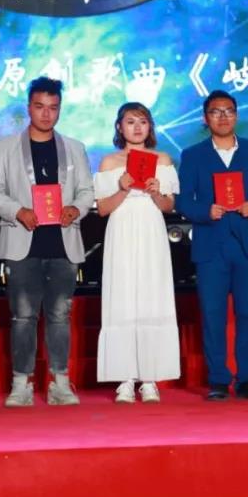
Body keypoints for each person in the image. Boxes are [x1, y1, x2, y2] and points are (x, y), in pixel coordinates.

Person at [0, 77, 95, 407]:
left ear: (60, 109)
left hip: (63, 243)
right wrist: (17, 211)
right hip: (22, 243)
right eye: (39, 107)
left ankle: (60, 382)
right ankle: (22, 383)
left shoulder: (74, 147)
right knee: (22, 316)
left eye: (53, 108)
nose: (46, 114)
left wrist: (76, 208)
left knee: (60, 316)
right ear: (28, 107)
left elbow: (87, 191)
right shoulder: (5, 147)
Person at [176, 90, 248, 401]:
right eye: (216, 112)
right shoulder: (193, 155)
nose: (223, 117)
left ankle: (247, 379)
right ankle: (218, 379)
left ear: (237, 115)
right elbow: (183, 200)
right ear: (205, 118)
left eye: (229, 111)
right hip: (211, 244)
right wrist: (204, 211)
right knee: (213, 314)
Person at [94, 102, 180, 404]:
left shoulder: (162, 160)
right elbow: (102, 209)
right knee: (122, 297)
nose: (137, 127)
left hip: (151, 229)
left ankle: (150, 378)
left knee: (152, 296)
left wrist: (156, 192)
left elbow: (168, 206)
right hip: (121, 229)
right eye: (130, 121)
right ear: (120, 127)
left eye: (143, 121)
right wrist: (121, 188)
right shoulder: (109, 162)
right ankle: (125, 379)